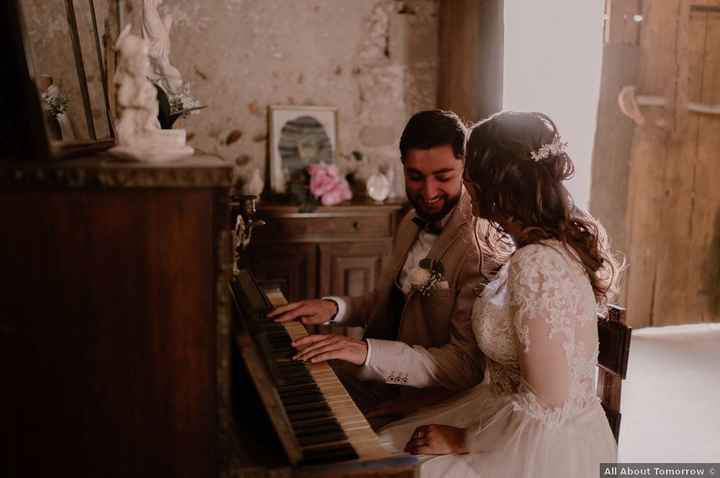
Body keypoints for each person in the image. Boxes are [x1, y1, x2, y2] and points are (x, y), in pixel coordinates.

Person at [376, 111, 622, 477]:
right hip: (505, 414)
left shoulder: (536, 263)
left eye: (469, 170)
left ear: (497, 184)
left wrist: (463, 439)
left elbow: (548, 404)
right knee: (384, 444)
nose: (466, 183)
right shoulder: (538, 251)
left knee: (389, 462)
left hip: (540, 448)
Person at [268, 110, 504, 424]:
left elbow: (463, 365)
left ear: (465, 167)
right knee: (279, 389)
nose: (428, 192)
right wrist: (333, 308)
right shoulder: (409, 220)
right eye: (415, 176)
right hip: (377, 382)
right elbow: (392, 302)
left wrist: (365, 352)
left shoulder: (479, 246)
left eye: (444, 177)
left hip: (431, 401)